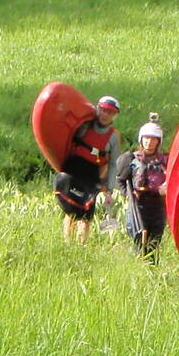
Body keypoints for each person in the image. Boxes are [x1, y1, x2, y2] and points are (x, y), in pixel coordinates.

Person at [54, 95, 122, 245]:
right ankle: (67, 245)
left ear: (115, 115)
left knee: (85, 212)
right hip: (73, 169)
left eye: (110, 112)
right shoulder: (83, 125)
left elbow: (112, 164)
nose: (105, 115)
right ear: (97, 109)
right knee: (70, 209)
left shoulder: (114, 137)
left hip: (92, 174)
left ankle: (81, 246)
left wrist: (109, 190)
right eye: (103, 110)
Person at [114, 116, 169, 257]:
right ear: (141, 139)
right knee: (139, 241)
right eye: (146, 139)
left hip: (158, 206)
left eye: (153, 139)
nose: (149, 143)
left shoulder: (165, 161)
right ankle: (136, 267)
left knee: (154, 243)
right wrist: (128, 196)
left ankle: (151, 270)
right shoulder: (131, 159)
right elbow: (120, 180)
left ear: (158, 141)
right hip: (138, 206)